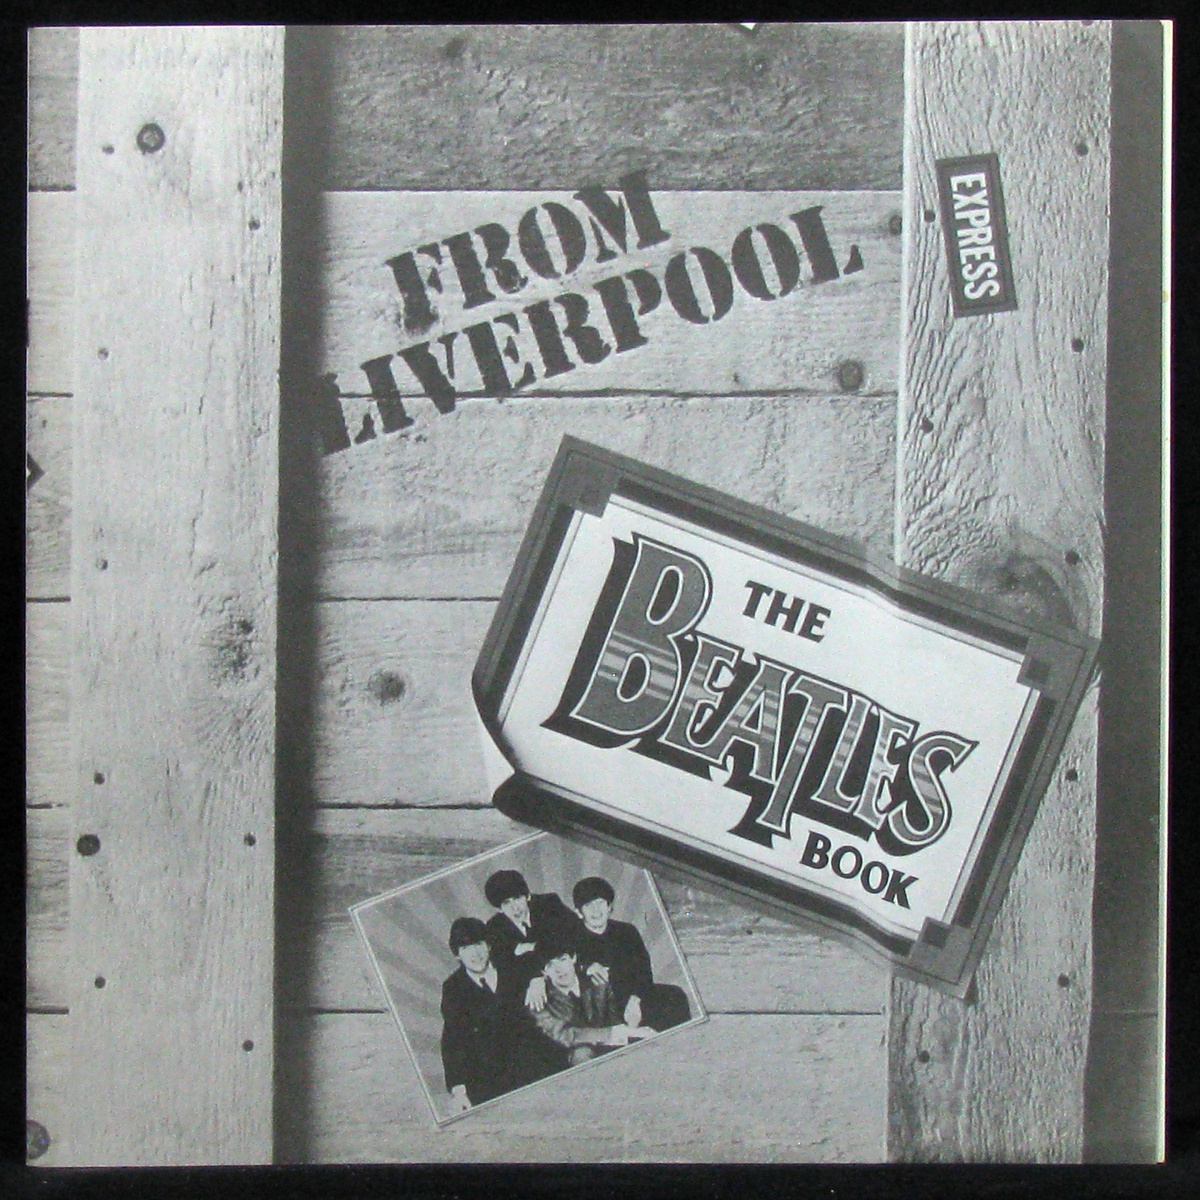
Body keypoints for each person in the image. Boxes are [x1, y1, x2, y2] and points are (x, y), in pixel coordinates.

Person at [571, 876, 692, 1032]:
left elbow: (644, 971)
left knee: (675, 995)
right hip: (598, 1005)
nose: (596, 911)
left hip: (633, 997)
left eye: (600, 903)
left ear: (609, 906)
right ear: (579, 912)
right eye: (588, 905)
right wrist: (586, 968)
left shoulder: (627, 931)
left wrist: (635, 1000)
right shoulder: (571, 938)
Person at [527, 927, 655, 1068]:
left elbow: (614, 1019)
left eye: (562, 960)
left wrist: (630, 1027)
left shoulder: (597, 982)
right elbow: (566, 1035)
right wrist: (617, 1032)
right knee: (582, 1055)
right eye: (550, 965)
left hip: (613, 1045)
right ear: (544, 972)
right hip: (577, 1058)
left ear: (573, 958)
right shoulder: (538, 1002)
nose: (559, 970)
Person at [439, 916, 522, 1112]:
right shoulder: (453, 988)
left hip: (529, 1066)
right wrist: (459, 1091)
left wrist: (538, 979)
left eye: (478, 944)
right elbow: (453, 1040)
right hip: (488, 1080)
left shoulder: (512, 968)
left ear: (488, 945)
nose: (475, 954)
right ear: (457, 955)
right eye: (466, 948)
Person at [483, 868, 574, 988]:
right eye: (506, 903)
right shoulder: (494, 927)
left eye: (517, 898)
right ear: (499, 909)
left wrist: (524, 950)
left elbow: (572, 937)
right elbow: (503, 966)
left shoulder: (549, 904)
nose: (515, 908)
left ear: (528, 896)